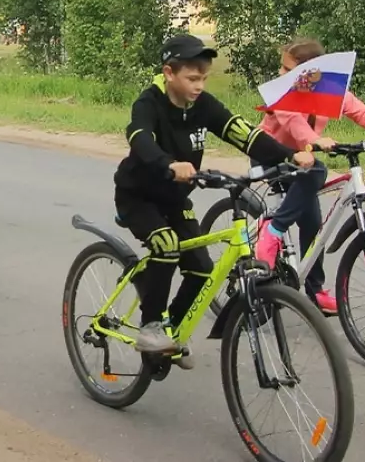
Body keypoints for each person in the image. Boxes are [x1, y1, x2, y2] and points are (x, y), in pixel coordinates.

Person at [115, 33, 314, 364]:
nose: (199, 85)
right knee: (166, 245)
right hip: (138, 197)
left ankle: (170, 334)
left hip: (175, 199)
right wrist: (168, 163)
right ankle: (150, 328)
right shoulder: (149, 103)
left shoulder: (202, 105)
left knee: (204, 270)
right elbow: (140, 138)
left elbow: (244, 134)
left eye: (204, 78)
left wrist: (289, 156)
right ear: (169, 73)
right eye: (192, 78)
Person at [254, 37, 365, 314]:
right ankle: (272, 230)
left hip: (303, 160)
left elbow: (364, 114)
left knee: (313, 224)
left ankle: (316, 291)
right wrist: (314, 140)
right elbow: (294, 122)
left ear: (309, 73)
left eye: (286, 70)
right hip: (271, 154)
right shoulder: (283, 93)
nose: (280, 74)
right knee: (318, 171)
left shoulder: (330, 92)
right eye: (282, 68)